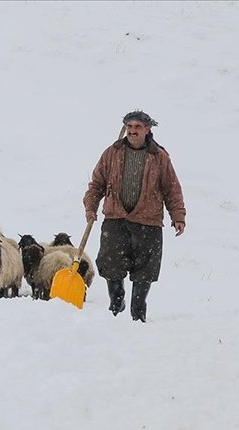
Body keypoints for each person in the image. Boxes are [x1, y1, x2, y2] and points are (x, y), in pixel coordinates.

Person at [83, 110, 186, 322]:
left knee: (144, 271)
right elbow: (96, 184)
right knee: (111, 265)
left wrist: (178, 216)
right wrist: (90, 207)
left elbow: (171, 189)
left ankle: (137, 314)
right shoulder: (112, 153)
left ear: (147, 130)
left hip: (148, 221)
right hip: (115, 218)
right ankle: (117, 301)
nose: (132, 131)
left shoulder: (159, 157)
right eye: (129, 127)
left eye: (137, 127)